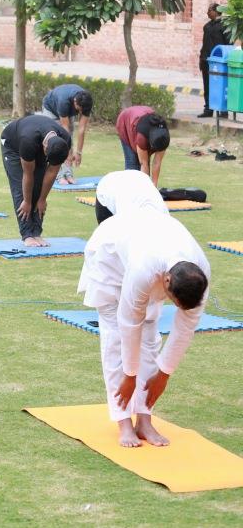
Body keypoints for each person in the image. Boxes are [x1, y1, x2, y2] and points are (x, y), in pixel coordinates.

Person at [78, 210, 210, 448]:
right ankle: (123, 421)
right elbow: (129, 323)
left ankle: (144, 420)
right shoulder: (143, 268)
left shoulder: (200, 274)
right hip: (110, 259)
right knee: (116, 338)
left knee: (150, 339)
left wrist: (164, 374)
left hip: (146, 249)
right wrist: (130, 376)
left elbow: (185, 328)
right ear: (167, 282)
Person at [0, 114, 71, 247]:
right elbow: (28, 175)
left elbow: (51, 172)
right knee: (21, 189)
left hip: (36, 142)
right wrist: (27, 201)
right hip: (13, 146)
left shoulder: (64, 141)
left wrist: (42, 199)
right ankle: (27, 235)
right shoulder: (28, 140)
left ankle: (36, 233)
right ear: (45, 147)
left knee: (38, 189)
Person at [41, 84, 93, 184]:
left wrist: (78, 153)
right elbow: (64, 131)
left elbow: (81, 129)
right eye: (79, 109)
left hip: (67, 113)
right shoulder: (63, 100)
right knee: (56, 141)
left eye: (83, 110)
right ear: (74, 101)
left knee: (70, 139)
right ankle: (59, 175)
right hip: (50, 110)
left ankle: (68, 174)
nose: (81, 112)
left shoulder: (86, 102)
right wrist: (68, 153)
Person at [116, 106, 169, 186]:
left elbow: (157, 162)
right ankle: (129, 192)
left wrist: (154, 185)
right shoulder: (142, 138)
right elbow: (143, 164)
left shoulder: (164, 137)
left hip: (143, 114)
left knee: (146, 161)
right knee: (132, 163)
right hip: (126, 120)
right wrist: (145, 188)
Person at [93, 169, 167, 224]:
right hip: (107, 188)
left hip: (139, 180)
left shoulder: (163, 214)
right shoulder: (128, 213)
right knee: (109, 236)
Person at [200, 3, 231, 118]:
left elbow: (229, 45)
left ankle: (223, 111)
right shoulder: (207, 26)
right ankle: (208, 110)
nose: (207, 13)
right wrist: (201, 59)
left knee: (221, 86)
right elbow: (204, 44)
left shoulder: (224, 26)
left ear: (216, 12)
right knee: (207, 85)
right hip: (206, 60)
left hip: (219, 62)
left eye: (209, 10)